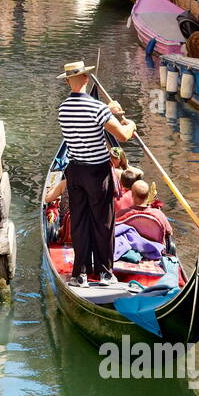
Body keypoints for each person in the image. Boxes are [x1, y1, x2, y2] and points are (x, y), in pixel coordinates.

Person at [56, 60, 137, 286]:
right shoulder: (96, 108)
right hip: (97, 173)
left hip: (75, 171)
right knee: (103, 222)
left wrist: (108, 112)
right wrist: (129, 123)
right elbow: (121, 135)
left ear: (68, 82)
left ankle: (79, 274)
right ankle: (104, 272)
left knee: (80, 222)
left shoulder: (63, 109)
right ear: (85, 79)